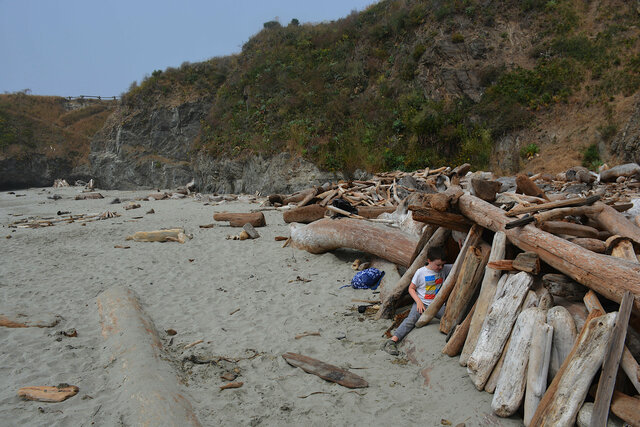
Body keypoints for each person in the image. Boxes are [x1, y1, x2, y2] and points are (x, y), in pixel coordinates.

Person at [381, 246, 452, 356]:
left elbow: (460, 265)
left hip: (437, 305)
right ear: (429, 261)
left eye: (442, 265)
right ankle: (392, 341)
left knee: (449, 319)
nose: (440, 267)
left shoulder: (444, 269)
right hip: (422, 303)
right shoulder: (421, 272)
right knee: (411, 320)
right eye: (438, 265)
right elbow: (411, 288)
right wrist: (418, 301)